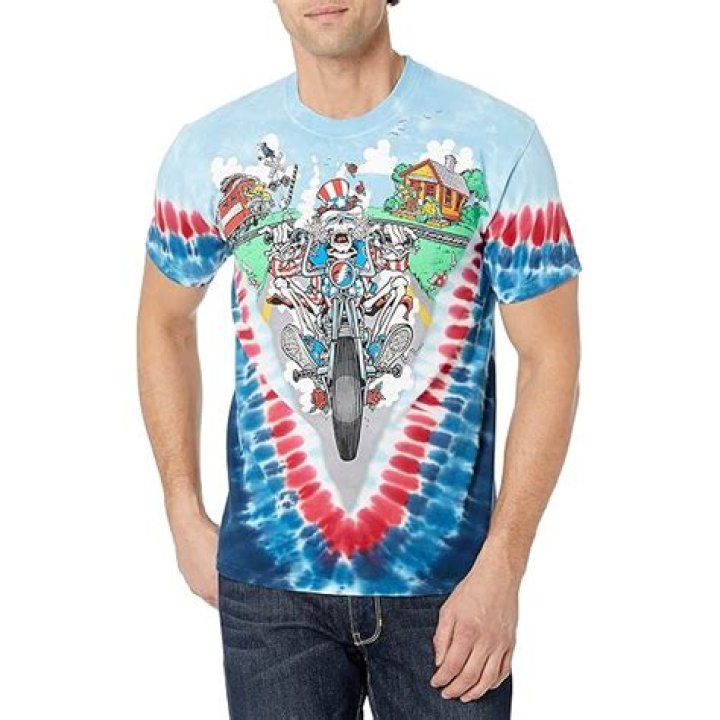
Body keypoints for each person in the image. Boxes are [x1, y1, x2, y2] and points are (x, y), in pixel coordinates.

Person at [136, 1, 583, 717]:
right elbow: (163, 320)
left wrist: (504, 565)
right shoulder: (211, 151)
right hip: (270, 591)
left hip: (450, 592)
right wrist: (182, 513)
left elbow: (550, 356)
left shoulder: (497, 140)